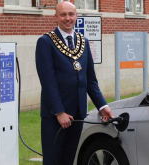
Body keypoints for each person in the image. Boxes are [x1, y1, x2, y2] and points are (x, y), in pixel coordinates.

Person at [35, 1, 114, 165]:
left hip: (77, 114)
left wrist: (103, 106)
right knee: (53, 161)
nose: (67, 18)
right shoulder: (46, 42)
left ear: (76, 16)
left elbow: (90, 80)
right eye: (63, 14)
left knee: (69, 160)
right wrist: (59, 112)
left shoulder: (83, 41)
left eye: (71, 14)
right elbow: (48, 81)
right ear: (55, 16)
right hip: (55, 117)